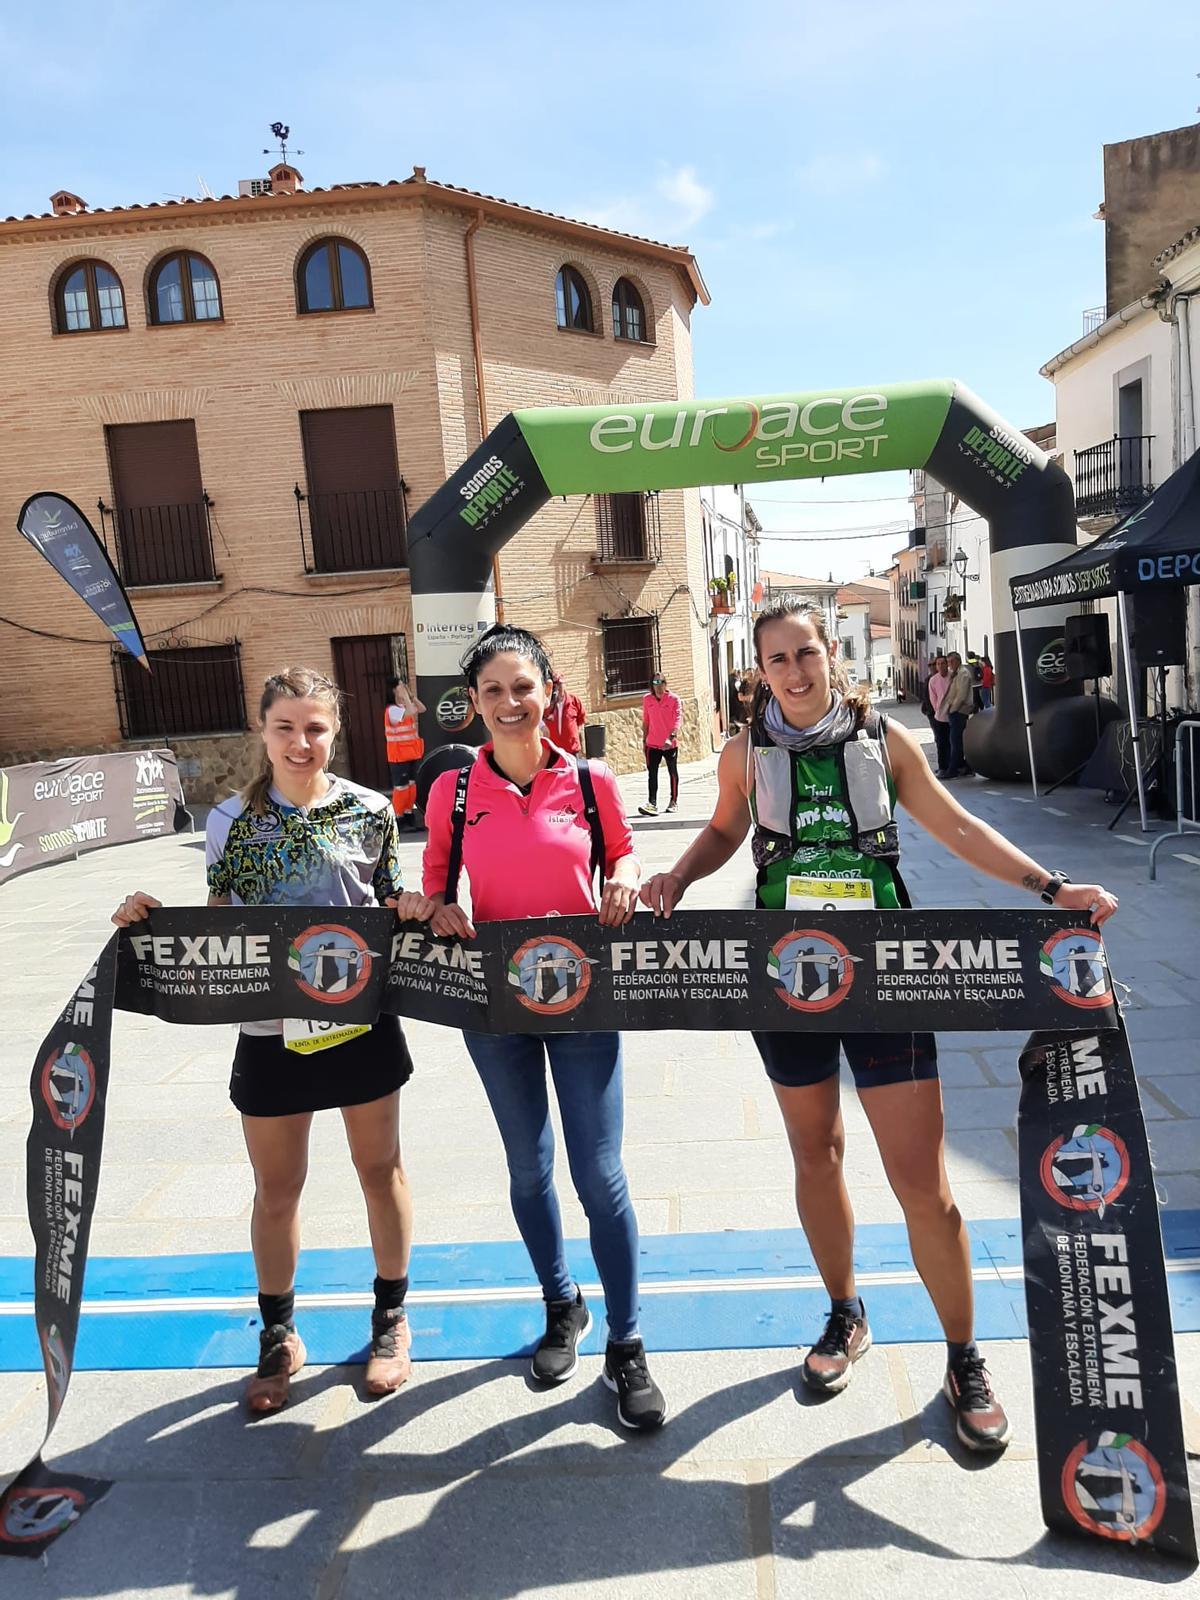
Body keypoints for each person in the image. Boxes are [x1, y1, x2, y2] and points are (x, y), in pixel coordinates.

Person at [640, 600, 1118, 1452]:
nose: (794, 671)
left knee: (919, 1179)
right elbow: (722, 831)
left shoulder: (882, 742)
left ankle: (965, 1357)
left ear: (831, 655)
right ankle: (844, 1313)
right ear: (760, 671)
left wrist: (1053, 889)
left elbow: (958, 825)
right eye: (777, 659)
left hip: (886, 975)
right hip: (785, 978)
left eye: (807, 653)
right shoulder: (746, 754)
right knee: (815, 1151)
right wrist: (677, 874)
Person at [112, 667, 419, 1413]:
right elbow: (221, 922)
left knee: (379, 1170)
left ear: (335, 731)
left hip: (359, 1022)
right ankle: (280, 1333)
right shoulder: (230, 823)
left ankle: (390, 1319)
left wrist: (410, 904)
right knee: (277, 1191)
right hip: (269, 1030)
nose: (300, 742)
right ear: (263, 731)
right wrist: (150, 921)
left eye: (315, 728)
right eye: (285, 727)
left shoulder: (370, 811)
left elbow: (388, 903)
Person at [406, 623, 667, 1431]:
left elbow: (620, 856)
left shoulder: (591, 781)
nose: (511, 703)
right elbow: (440, 887)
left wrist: (621, 884)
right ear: (474, 704)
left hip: (583, 999)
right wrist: (436, 908)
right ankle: (564, 1305)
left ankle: (628, 1342)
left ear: (549, 691)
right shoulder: (452, 792)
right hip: (496, 1008)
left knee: (600, 1175)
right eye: (493, 691)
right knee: (528, 1170)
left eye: (524, 687)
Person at [384, 675, 426, 827]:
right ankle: (398, 815)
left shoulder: (401, 707)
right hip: (399, 756)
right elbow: (409, 711)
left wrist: (410, 695)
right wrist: (404, 696)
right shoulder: (392, 711)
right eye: (400, 686)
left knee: (411, 785)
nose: (403, 688)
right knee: (401, 787)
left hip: (411, 753)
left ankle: (408, 812)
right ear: (393, 690)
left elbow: (422, 709)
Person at [639, 672, 682, 816]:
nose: (658, 686)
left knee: (672, 772)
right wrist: (644, 740)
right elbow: (646, 721)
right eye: (655, 683)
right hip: (652, 744)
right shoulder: (647, 699)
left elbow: (677, 720)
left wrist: (671, 737)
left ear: (666, 684)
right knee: (652, 774)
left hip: (670, 744)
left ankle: (673, 801)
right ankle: (652, 803)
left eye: (661, 682)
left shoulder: (674, 699)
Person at [943, 651, 976, 779]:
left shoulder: (963, 674)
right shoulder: (956, 674)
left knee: (955, 741)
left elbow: (961, 695)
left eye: (951, 661)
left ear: (957, 661)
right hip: (956, 710)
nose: (949, 664)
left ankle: (953, 769)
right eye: (948, 662)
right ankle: (965, 766)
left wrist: (953, 709)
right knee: (957, 740)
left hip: (959, 710)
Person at [542, 671, 587, 755]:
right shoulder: (547, 704)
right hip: (554, 751)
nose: (557, 688)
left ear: (564, 684)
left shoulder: (574, 700)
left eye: (559, 684)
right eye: (555, 685)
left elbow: (581, 720)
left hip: (572, 750)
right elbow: (540, 718)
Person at [922, 654, 952, 778]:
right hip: (937, 715)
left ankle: (954, 765)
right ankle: (943, 767)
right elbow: (930, 698)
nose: (937, 666)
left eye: (940, 663)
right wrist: (936, 712)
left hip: (952, 714)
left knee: (953, 741)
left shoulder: (952, 677)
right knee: (941, 741)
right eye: (936, 664)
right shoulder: (931, 680)